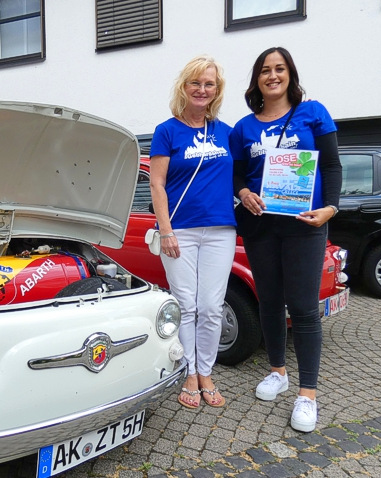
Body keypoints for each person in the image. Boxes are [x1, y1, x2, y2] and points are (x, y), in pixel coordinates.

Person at [230, 47, 342, 431]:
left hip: (304, 225)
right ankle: (278, 372)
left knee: (305, 308)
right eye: (265, 70)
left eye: (279, 69)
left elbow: (331, 164)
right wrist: (244, 193)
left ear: (290, 74)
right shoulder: (244, 127)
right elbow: (238, 175)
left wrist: (331, 207)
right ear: (257, 79)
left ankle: (307, 394)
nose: (272, 75)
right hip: (261, 227)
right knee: (270, 302)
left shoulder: (313, 113)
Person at [150, 55, 237, 409]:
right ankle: (188, 371)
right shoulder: (167, 130)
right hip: (180, 232)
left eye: (209, 84)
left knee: (212, 306)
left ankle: (206, 371)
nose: (202, 89)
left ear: (217, 90)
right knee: (186, 305)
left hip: (220, 230)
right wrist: (166, 230)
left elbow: (249, 175)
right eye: (195, 83)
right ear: (184, 87)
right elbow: (156, 184)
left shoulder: (228, 132)